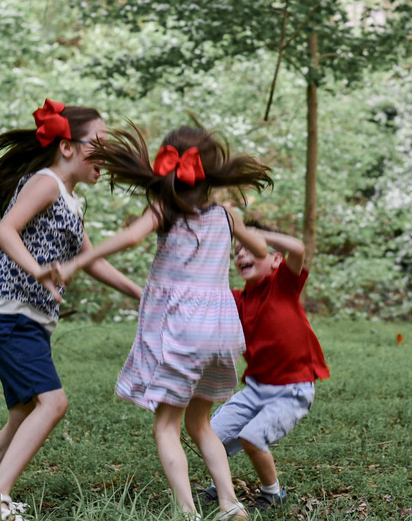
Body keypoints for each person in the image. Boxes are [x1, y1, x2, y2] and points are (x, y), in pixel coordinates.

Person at [45, 122, 273, 520]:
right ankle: (231, 504)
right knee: (200, 424)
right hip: (218, 331)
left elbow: (131, 238)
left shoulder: (165, 210)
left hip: (182, 329)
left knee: (166, 426)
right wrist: (241, 231)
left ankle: (188, 512)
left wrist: (77, 261)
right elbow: (260, 247)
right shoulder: (226, 215)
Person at [0, 99, 143, 521]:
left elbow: (91, 261)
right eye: (100, 143)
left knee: (24, 409)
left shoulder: (72, 200)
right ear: (67, 148)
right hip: (8, 310)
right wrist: (39, 270)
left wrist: (142, 293)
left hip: (26, 315)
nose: (108, 153)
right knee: (53, 403)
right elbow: (5, 230)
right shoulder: (45, 183)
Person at [198, 222, 330, 513]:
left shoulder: (283, 283)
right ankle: (222, 488)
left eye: (252, 249)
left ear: (275, 259)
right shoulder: (237, 299)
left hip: (291, 391)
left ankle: (273, 493)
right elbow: (204, 294)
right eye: (238, 251)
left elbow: (298, 248)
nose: (242, 255)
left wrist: (247, 231)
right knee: (210, 434)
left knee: (252, 437)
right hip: (255, 389)